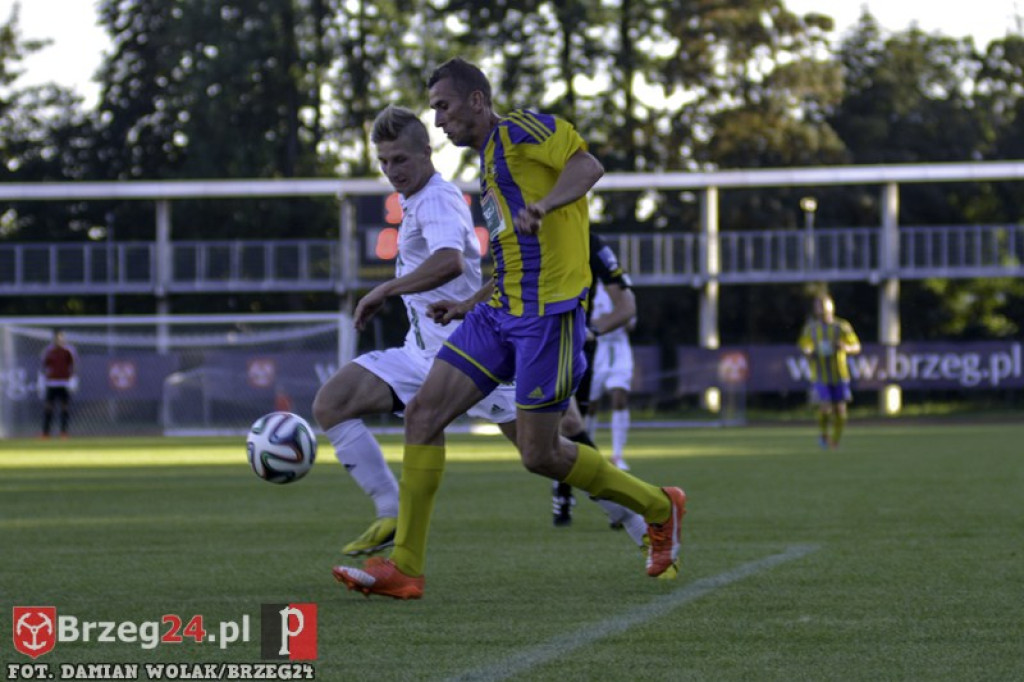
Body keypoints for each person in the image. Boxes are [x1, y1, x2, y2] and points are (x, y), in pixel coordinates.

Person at [333, 57, 686, 599]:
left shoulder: (521, 130)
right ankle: (405, 568)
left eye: (444, 107)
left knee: (539, 455)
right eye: (434, 110)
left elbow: (588, 166)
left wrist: (544, 204)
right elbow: (508, 262)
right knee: (424, 414)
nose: (439, 120)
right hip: (497, 313)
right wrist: (467, 303)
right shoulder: (486, 166)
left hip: (548, 317)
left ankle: (659, 506)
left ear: (477, 100)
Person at [312, 104, 518, 556]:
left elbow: (450, 261)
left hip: (471, 356)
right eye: (384, 161)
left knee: (548, 455)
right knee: (332, 403)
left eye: (400, 159)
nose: (392, 171)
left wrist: (384, 289)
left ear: (427, 152)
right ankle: (391, 513)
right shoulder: (413, 200)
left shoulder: (438, 199)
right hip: (422, 355)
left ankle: (645, 515)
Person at [551, 232, 638, 528]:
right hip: (527, 339)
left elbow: (627, 307)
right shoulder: (521, 227)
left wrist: (592, 331)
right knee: (557, 431)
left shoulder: (589, 241)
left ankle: (609, 499)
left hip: (573, 346)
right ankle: (612, 499)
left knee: (568, 426)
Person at [797, 294, 861, 449]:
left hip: (840, 374)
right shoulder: (811, 329)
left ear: (831, 306)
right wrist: (808, 352)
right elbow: (804, 346)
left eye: (823, 304)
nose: (820, 308)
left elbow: (857, 347)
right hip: (820, 375)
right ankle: (824, 435)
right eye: (817, 305)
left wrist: (845, 347)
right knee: (825, 407)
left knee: (840, 410)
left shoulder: (841, 327)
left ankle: (835, 441)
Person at [586, 279, 637, 471]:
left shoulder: (624, 291)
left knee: (619, 397)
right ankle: (588, 452)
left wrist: (613, 319)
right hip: (597, 350)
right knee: (590, 404)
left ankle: (617, 455)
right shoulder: (589, 289)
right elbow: (587, 322)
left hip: (620, 350)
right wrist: (612, 319)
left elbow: (630, 323)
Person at [39, 328, 78, 439]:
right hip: (52, 383)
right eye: (57, 338)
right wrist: (42, 380)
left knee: (65, 408)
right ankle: (46, 433)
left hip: (64, 383)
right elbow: (43, 366)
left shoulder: (68, 351)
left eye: (61, 337)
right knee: (48, 408)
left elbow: (74, 366)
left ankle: (63, 432)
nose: (59, 340)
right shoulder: (48, 351)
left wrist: (73, 379)